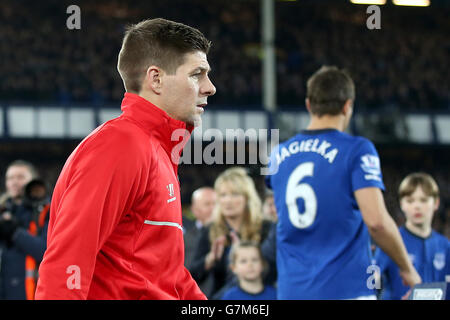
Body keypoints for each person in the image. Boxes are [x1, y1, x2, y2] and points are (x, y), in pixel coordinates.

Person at [35, 18, 216, 300]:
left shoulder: (156, 149)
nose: (209, 87)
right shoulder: (120, 146)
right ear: (156, 79)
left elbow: (169, 275)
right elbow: (66, 264)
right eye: (197, 74)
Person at [265, 65, 421, 299]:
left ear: (309, 104)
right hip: (346, 289)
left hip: (292, 291)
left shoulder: (277, 154)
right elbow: (376, 222)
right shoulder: (357, 150)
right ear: (347, 105)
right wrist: (406, 268)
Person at [190, 167, 273, 299]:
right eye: (223, 195)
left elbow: (274, 268)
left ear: (247, 198)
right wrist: (210, 259)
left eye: (234, 194)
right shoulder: (210, 230)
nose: (228, 201)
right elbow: (192, 274)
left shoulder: (265, 228)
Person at [376, 173, 450, 300]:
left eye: (423, 200)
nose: (417, 206)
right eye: (410, 201)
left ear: (436, 203)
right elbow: (371, 280)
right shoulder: (390, 241)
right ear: (401, 204)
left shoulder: (445, 245)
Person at [0, 160, 49, 300]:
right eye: (10, 178)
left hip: (31, 293)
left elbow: (46, 251)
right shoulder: (3, 210)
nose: (14, 182)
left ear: (33, 181)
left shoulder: (46, 211)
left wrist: (16, 232)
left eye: (20, 177)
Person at [184, 187, 216, 269]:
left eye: (216, 204)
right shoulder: (185, 239)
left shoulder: (229, 232)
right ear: (194, 210)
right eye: (207, 204)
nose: (213, 208)